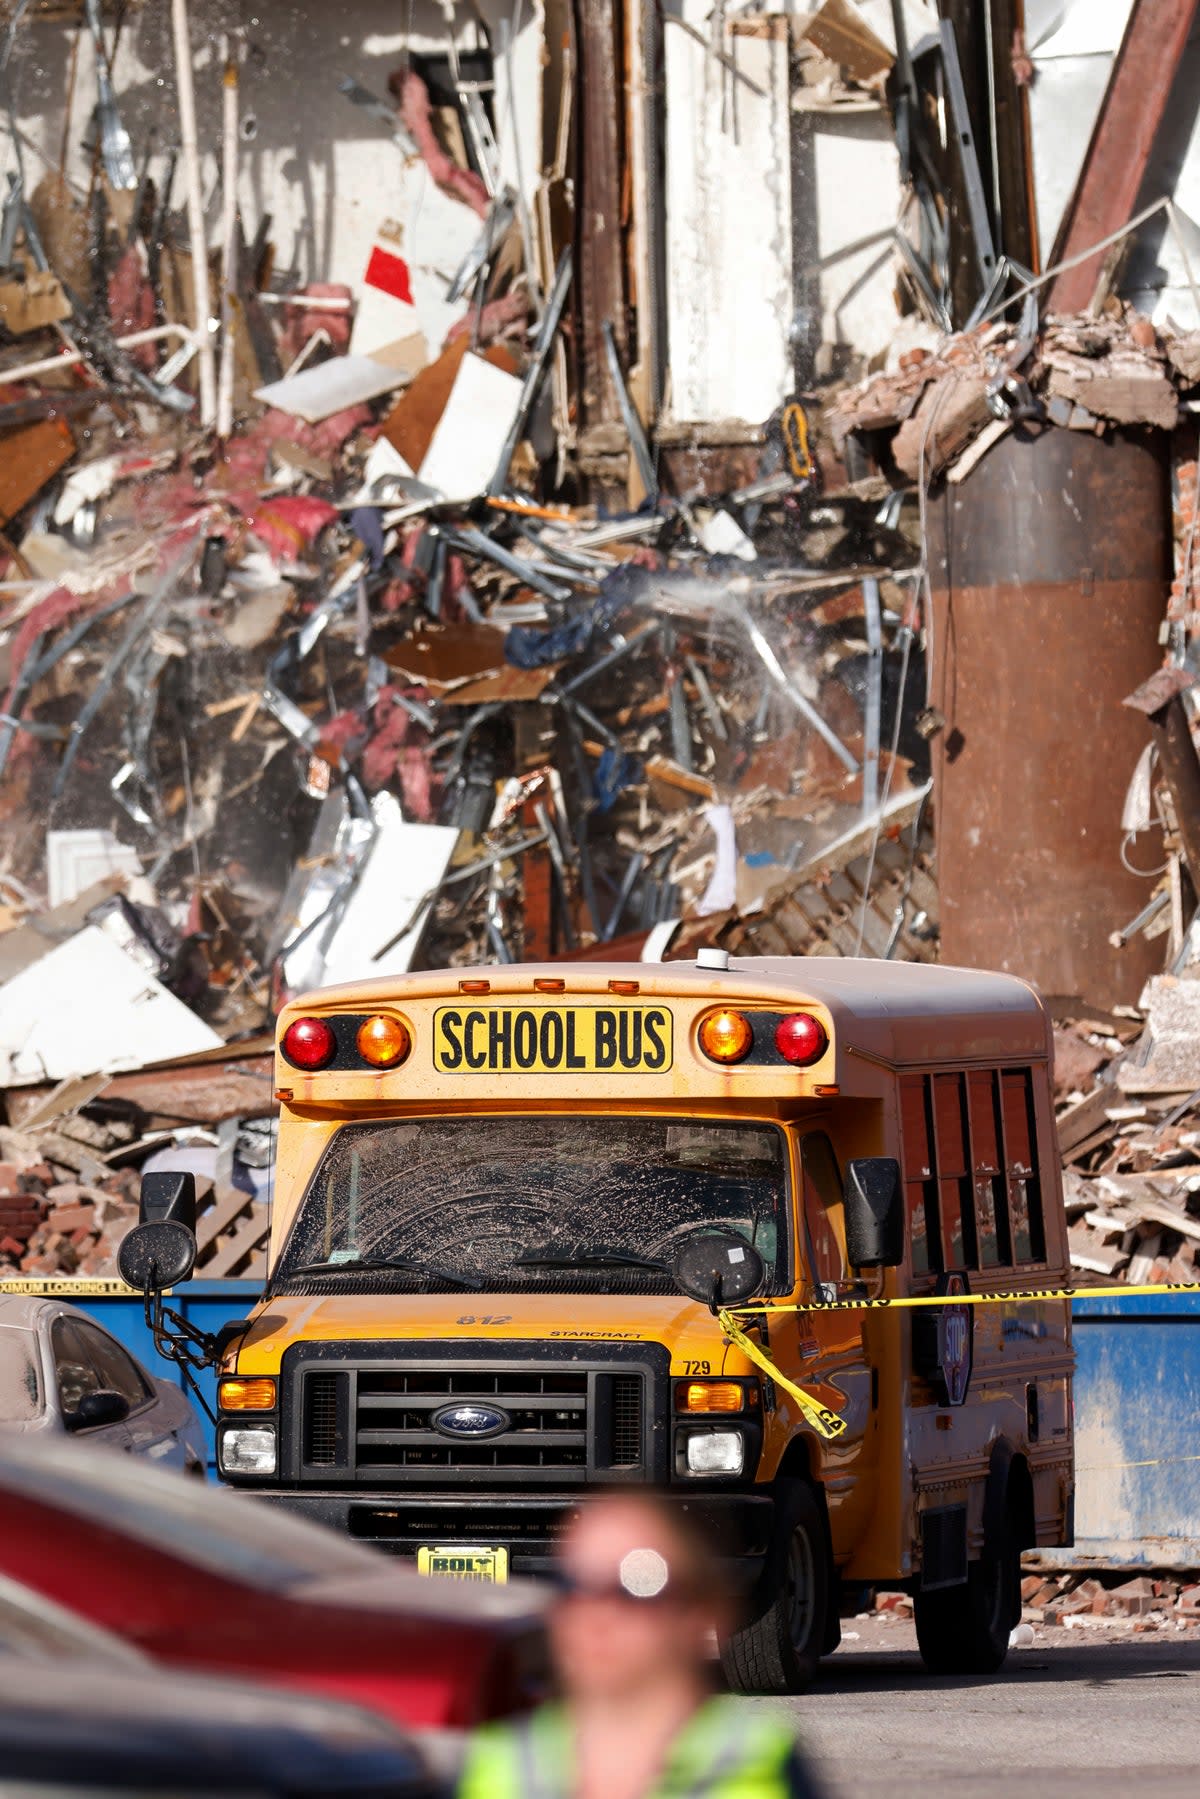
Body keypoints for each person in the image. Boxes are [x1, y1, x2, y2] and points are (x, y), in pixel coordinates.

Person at [457, 1491, 823, 1799]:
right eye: (573, 1585)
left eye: (637, 1582)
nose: (597, 1613)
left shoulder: (760, 1761)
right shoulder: (503, 1763)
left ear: (705, 1608)